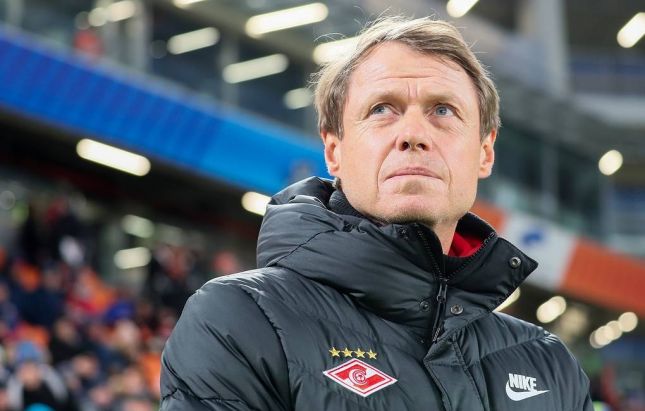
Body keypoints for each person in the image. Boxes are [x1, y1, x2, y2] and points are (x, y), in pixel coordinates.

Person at [160, 16, 592, 410]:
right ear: (334, 151)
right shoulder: (241, 319)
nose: (413, 134)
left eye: (443, 110)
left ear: (485, 151)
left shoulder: (550, 366)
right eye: (382, 109)